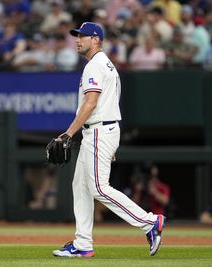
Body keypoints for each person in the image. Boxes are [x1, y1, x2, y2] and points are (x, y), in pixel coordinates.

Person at [52, 22, 165, 258]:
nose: (77, 40)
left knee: (99, 188)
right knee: (80, 186)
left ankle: (149, 222)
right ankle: (83, 244)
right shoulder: (106, 65)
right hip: (101, 130)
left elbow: (91, 103)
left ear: (96, 39)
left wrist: (68, 133)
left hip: (99, 131)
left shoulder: (95, 65)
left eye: (82, 36)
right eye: (77, 36)